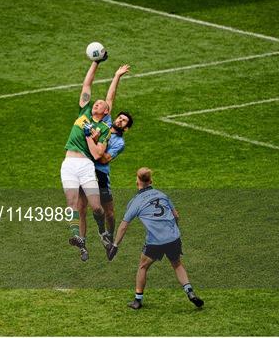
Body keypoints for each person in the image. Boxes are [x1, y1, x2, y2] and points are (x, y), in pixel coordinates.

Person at [107, 167, 204, 309]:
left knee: (143, 266)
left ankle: (137, 300)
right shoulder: (162, 195)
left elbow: (123, 226)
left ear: (137, 181)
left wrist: (115, 245)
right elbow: (176, 216)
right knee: (177, 264)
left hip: (155, 242)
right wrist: (173, 231)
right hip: (173, 237)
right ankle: (190, 292)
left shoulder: (136, 202)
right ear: (151, 181)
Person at [60, 53, 111, 262]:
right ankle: (78, 240)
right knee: (72, 205)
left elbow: (99, 154)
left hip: (86, 166)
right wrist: (95, 62)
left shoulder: (103, 128)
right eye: (96, 102)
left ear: (106, 110)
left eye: (101, 103)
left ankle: (102, 231)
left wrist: (93, 138)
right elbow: (87, 84)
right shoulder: (84, 111)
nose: (97, 103)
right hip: (69, 164)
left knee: (96, 207)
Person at [77, 65, 133, 251]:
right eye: (119, 117)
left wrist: (96, 146)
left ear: (126, 129)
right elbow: (110, 98)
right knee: (84, 207)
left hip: (100, 174)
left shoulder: (119, 143)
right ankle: (84, 239)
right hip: (86, 170)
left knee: (109, 212)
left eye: (124, 121)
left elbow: (104, 159)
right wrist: (117, 75)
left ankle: (110, 235)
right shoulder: (106, 122)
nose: (120, 120)